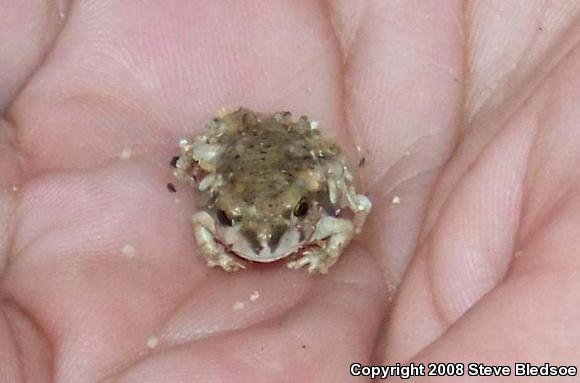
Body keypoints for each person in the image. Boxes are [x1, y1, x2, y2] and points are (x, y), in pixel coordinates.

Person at [0, 1, 578, 381]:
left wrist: (321, 238)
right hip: (246, 152)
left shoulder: (314, 211)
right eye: (234, 222)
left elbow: (343, 216)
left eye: (292, 221)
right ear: (222, 208)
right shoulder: (223, 218)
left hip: (294, 160)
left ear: (308, 210)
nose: (264, 240)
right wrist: (219, 238)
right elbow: (207, 224)